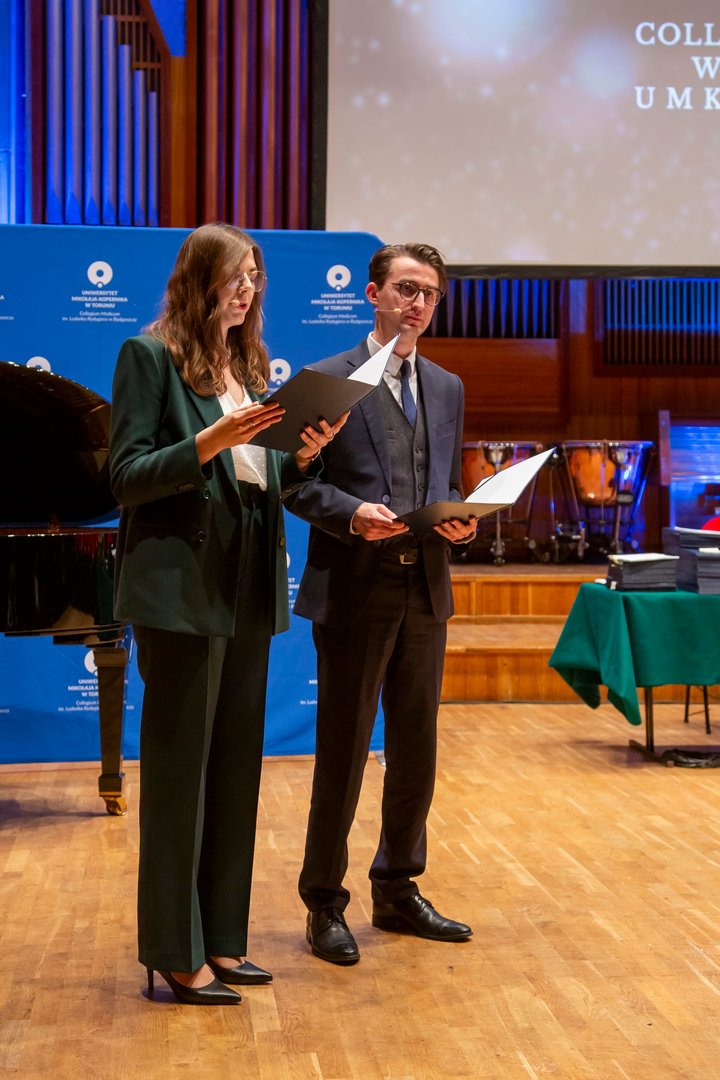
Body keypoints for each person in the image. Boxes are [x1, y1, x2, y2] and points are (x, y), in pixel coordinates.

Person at [109, 223, 344, 1004]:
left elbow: (261, 476)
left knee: (235, 770)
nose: (247, 291)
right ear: (199, 277)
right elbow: (127, 477)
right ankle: (172, 951)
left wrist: (301, 454)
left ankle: (222, 939)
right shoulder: (149, 357)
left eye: (255, 279)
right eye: (235, 276)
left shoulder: (245, 367)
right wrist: (208, 440)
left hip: (247, 580)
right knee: (181, 774)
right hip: (181, 588)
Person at [284, 241, 477, 964]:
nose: (418, 303)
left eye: (429, 293)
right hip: (354, 590)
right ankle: (323, 902)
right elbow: (294, 482)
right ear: (373, 295)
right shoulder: (327, 380)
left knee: (416, 751)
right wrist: (350, 513)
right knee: (342, 753)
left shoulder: (448, 386)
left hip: (425, 588)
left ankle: (397, 888)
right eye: (405, 289)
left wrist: (459, 520)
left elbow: (442, 479)